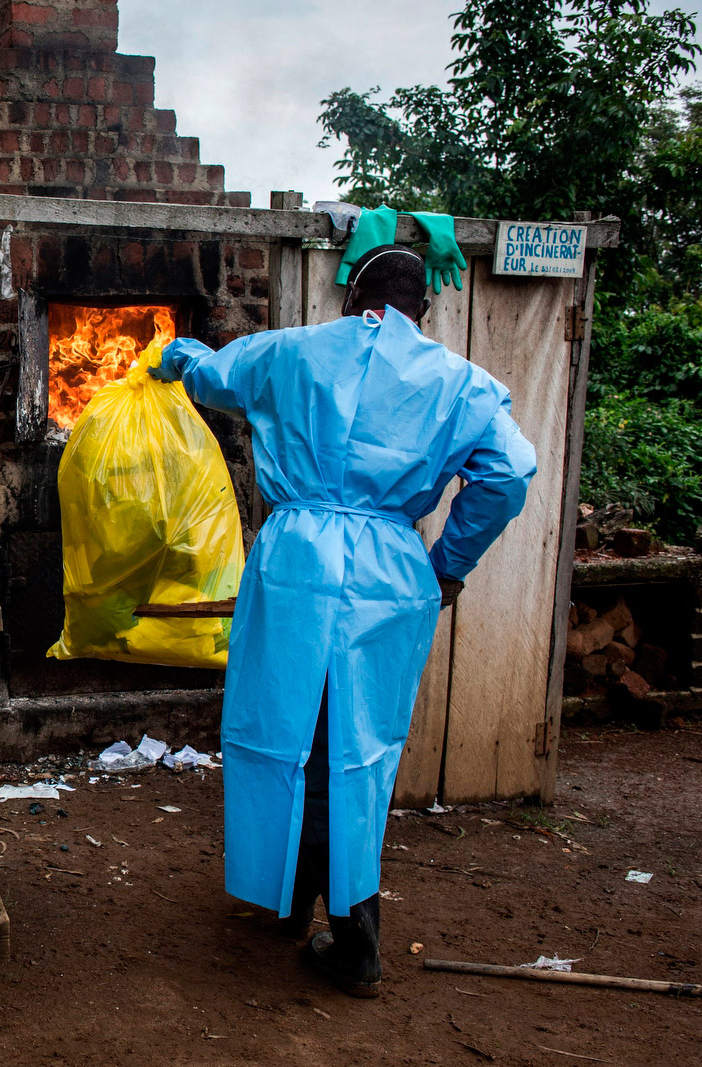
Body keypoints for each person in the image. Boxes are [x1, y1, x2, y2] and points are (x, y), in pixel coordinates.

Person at [152, 245, 537, 997]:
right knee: (354, 745)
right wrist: (448, 563)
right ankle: (316, 910)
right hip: (388, 575)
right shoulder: (460, 384)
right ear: (422, 307)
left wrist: (178, 353)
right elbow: (511, 471)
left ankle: (335, 929)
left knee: (284, 729)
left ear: (351, 290)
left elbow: (213, 375)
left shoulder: (292, 352)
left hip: (297, 562)